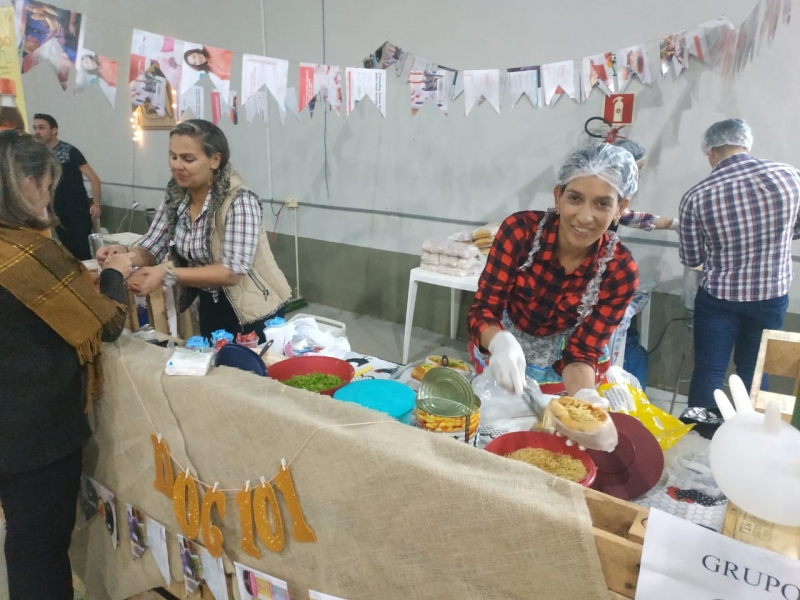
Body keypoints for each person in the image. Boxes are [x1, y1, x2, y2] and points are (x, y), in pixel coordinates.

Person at [0, 130, 133, 599]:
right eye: (49, 185)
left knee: (23, 537)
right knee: (40, 547)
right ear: (28, 184)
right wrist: (115, 273)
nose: (49, 195)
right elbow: (106, 323)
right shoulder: (29, 255)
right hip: (34, 430)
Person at [468, 144, 640, 397]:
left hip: (565, 371)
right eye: (575, 198)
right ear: (558, 196)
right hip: (503, 354)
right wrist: (498, 342)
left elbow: (582, 352)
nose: (585, 217)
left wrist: (584, 400)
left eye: (602, 204)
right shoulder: (520, 233)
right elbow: (484, 309)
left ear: (620, 208)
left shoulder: (619, 272)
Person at [97, 119, 291, 342]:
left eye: (188, 159)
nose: (177, 165)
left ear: (215, 160)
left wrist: (167, 273)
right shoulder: (177, 196)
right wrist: (122, 257)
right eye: (173, 156)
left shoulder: (239, 201)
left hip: (255, 310)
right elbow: (154, 244)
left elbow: (232, 272)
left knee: (249, 363)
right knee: (214, 360)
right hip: (210, 303)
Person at [679, 118, 800, 414]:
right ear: (746, 143)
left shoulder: (696, 196)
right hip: (772, 294)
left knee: (710, 370)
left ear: (710, 151)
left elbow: (692, 259)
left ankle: (703, 435)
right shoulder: (790, 176)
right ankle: (758, 431)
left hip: (719, 298)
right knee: (757, 369)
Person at [32, 113, 102, 259]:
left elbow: (94, 179)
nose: (37, 132)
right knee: (67, 252)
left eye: (41, 128)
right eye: (35, 128)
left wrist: (96, 204)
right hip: (55, 210)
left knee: (83, 251)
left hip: (77, 209)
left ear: (54, 130)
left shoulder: (69, 151)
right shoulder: (40, 155)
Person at [610, 138, 678, 232]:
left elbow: (626, 216)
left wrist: (672, 224)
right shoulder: (605, 190)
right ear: (625, 167)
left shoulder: (614, 191)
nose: (639, 175)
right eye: (639, 168)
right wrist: (673, 224)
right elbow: (627, 217)